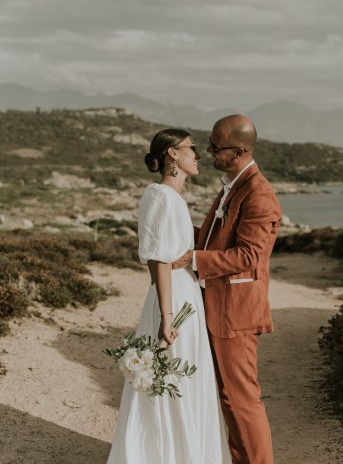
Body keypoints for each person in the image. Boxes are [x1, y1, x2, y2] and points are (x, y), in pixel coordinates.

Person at [107, 128, 230, 464]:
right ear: (173, 155)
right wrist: (165, 314)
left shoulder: (174, 197)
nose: (197, 154)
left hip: (182, 293)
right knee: (169, 377)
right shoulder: (159, 195)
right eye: (191, 148)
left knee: (184, 378)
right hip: (172, 299)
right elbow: (158, 258)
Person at [173, 115, 282, 464]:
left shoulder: (259, 195)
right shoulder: (231, 185)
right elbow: (212, 237)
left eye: (216, 147)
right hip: (217, 305)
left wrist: (195, 260)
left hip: (235, 311)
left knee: (241, 399)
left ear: (238, 151)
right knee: (227, 397)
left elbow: (249, 256)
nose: (207, 151)